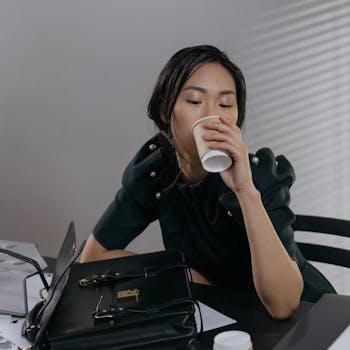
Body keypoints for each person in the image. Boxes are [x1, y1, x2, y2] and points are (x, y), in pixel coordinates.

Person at [80, 45, 335, 319]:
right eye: (194, 101)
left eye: (225, 105)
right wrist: (177, 272)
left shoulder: (259, 177)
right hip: (225, 316)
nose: (211, 116)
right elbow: (93, 258)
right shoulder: (156, 173)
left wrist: (245, 190)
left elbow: (284, 305)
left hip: (309, 317)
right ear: (166, 111)